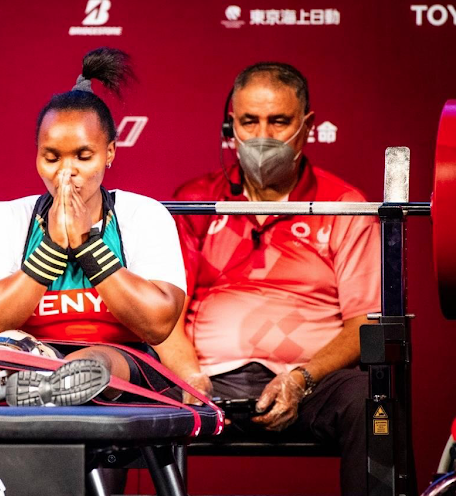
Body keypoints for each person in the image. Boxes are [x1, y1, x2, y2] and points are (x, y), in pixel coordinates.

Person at [162, 62, 381, 495]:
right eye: (249, 121)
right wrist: (188, 375)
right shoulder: (195, 202)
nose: (263, 136)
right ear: (231, 126)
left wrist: (302, 378)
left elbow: (364, 322)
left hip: (310, 384)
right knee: (115, 389)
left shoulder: (344, 205)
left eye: (279, 121)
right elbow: (164, 314)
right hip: (207, 382)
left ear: (307, 126)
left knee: (369, 400)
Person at [0, 47, 188, 412]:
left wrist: (86, 243)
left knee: (95, 360)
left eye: (84, 156)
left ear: (110, 152)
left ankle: (27, 382)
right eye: (51, 157)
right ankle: (7, 378)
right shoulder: (9, 219)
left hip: (122, 360)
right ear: (36, 154)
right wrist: (50, 247)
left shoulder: (144, 214)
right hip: (33, 351)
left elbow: (158, 323)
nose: (66, 172)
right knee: (5, 345)